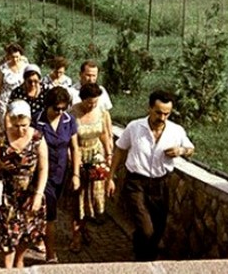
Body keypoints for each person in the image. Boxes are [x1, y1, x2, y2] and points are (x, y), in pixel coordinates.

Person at [106, 89, 194, 262]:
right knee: (146, 229)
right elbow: (120, 150)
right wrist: (111, 177)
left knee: (158, 229)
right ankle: (143, 262)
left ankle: (144, 257)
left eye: (166, 114)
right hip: (136, 183)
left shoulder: (176, 130)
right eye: (158, 112)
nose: (162, 118)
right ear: (149, 108)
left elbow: (191, 149)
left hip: (161, 184)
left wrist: (181, 150)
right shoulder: (134, 127)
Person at [0, 100, 48, 269]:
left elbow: (44, 167)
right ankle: (8, 268)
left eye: (24, 125)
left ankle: (19, 259)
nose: (20, 130)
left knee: (28, 232)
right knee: (6, 233)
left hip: (29, 193)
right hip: (7, 193)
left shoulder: (37, 138)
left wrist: (38, 194)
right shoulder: (2, 137)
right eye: (16, 126)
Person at [33, 86, 80, 264]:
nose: (59, 112)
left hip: (62, 172)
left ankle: (38, 236)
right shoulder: (36, 120)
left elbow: (75, 148)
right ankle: (51, 254)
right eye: (56, 109)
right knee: (50, 214)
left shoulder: (69, 121)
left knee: (54, 211)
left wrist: (75, 174)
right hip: (42, 174)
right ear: (47, 106)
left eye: (63, 108)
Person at [68, 82, 112, 252]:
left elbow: (104, 135)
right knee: (77, 199)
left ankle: (85, 227)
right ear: (82, 99)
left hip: (96, 156)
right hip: (78, 156)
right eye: (89, 102)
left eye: (94, 102)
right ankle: (76, 236)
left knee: (91, 199)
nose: (91, 106)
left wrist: (108, 155)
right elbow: (69, 141)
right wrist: (73, 163)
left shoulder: (101, 112)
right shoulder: (73, 114)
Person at [70, 60, 114, 145]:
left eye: (94, 76)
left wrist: (110, 136)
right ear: (80, 74)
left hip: (97, 139)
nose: (91, 79)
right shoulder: (72, 92)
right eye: (88, 75)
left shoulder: (101, 91)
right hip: (79, 139)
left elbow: (106, 115)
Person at [0, 43, 27, 122]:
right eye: (12, 57)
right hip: (5, 101)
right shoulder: (4, 68)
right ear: (8, 56)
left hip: (21, 100)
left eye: (17, 57)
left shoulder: (26, 67)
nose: (15, 59)